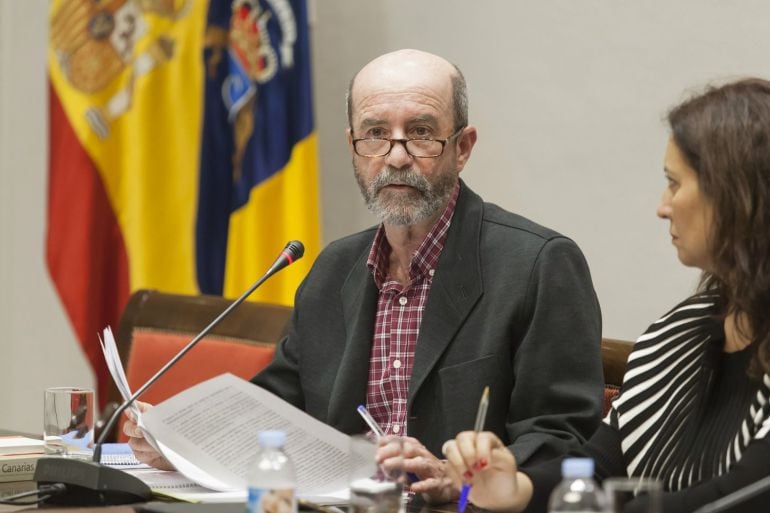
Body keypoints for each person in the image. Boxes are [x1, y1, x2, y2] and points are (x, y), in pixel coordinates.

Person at [125, 49, 603, 501]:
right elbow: (277, 409)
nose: (395, 156)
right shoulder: (335, 269)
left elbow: (561, 438)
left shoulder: (538, 264)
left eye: (420, 132)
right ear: (353, 147)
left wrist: (456, 477)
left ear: (462, 147)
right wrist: (180, 439)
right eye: (374, 133)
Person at [442, 78, 770, 513]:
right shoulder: (681, 332)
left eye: (674, 183)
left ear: (736, 196)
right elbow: (597, 467)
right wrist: (515, 486)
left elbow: (740, 497)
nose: (662, 206)